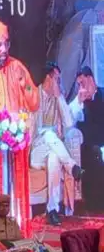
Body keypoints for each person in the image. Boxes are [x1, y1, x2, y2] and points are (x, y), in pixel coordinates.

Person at [30, 63, 82, 224]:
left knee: (54, 158)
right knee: (49, 134)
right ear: (48, 78)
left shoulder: (57, 97)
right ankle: (71, 166)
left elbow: (68, 123)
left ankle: (52, 210)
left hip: (51, 149)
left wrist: (59, 97)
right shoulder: (33, 95)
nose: (59, 83)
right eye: (57, 80)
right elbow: (31, 132)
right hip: (35, 152)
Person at [69, 67, 104, 211]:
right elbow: (69, 121)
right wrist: (78, 101)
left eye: (83, 83)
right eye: (79, 85)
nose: (81, 87)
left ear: (91, 79)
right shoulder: (79, 102)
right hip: (89, 148)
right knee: (93, 156)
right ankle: (95, 206)